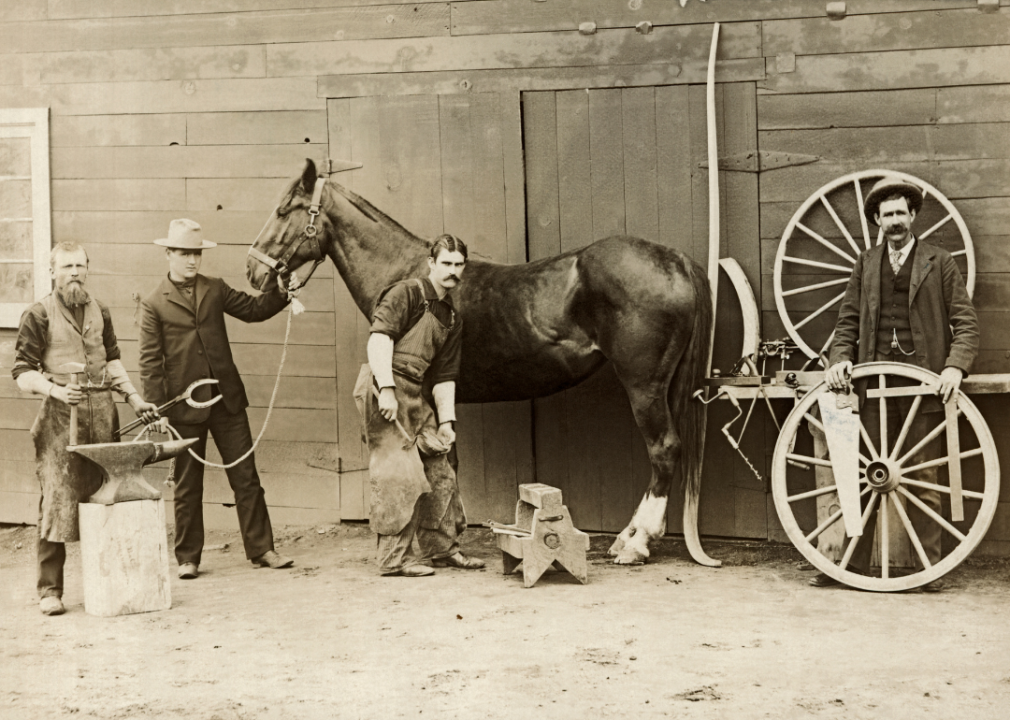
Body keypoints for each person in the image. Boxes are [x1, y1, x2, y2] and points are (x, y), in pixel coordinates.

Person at [811, 176, 979, 592]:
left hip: (922, 388)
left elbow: (967, 323)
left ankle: (927, 568)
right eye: (887, 215)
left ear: (913, 216)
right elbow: (847, 321)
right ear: (876, 221)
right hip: (871, 387)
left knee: (924, 479)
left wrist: (955, 367)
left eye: (901, 213)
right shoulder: (866, 264)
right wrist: (839, 360)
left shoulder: (939, 262)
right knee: (863, 477)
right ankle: (847, 567)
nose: (895, 221)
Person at [138, 219, 293, 580]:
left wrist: (283, 292)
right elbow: (149, 362)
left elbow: (254, 310)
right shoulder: (153, 304)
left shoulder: (216, 289)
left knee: (246, 477)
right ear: (168, 255)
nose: (193, 261)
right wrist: (158, 410)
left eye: (197, 254)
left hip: (227, 401)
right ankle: (188, 558)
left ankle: (262, 549)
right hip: (183, 407)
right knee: (188, 484)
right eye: (185, 254)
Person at [13, 242, 160, 616]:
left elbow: (112, 362)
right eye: (66, 266)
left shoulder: (101, 311)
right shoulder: (38, 314)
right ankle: (50, 590)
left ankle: (111, 581)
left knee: (108, 495)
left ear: (88, 269)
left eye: (80, 265)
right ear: (52, 272)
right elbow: (22, 374)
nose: (74, 272)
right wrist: (57, 390)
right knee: (57, 500)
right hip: (59, 421)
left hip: (103, 416)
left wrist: (134, 399)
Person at [353, 234, 484, 576]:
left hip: (415, 394)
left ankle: (440, 549)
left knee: (440, 468)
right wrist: (386, 389)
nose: (453, 271)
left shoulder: (451, 316)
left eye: (459, 265)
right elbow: (379, 339)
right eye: (446, 264)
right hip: (383, 385)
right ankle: (393, 560)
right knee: (399, 473)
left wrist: (447, 422)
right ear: (431, 263)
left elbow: (444, 376)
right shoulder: (406, 293)